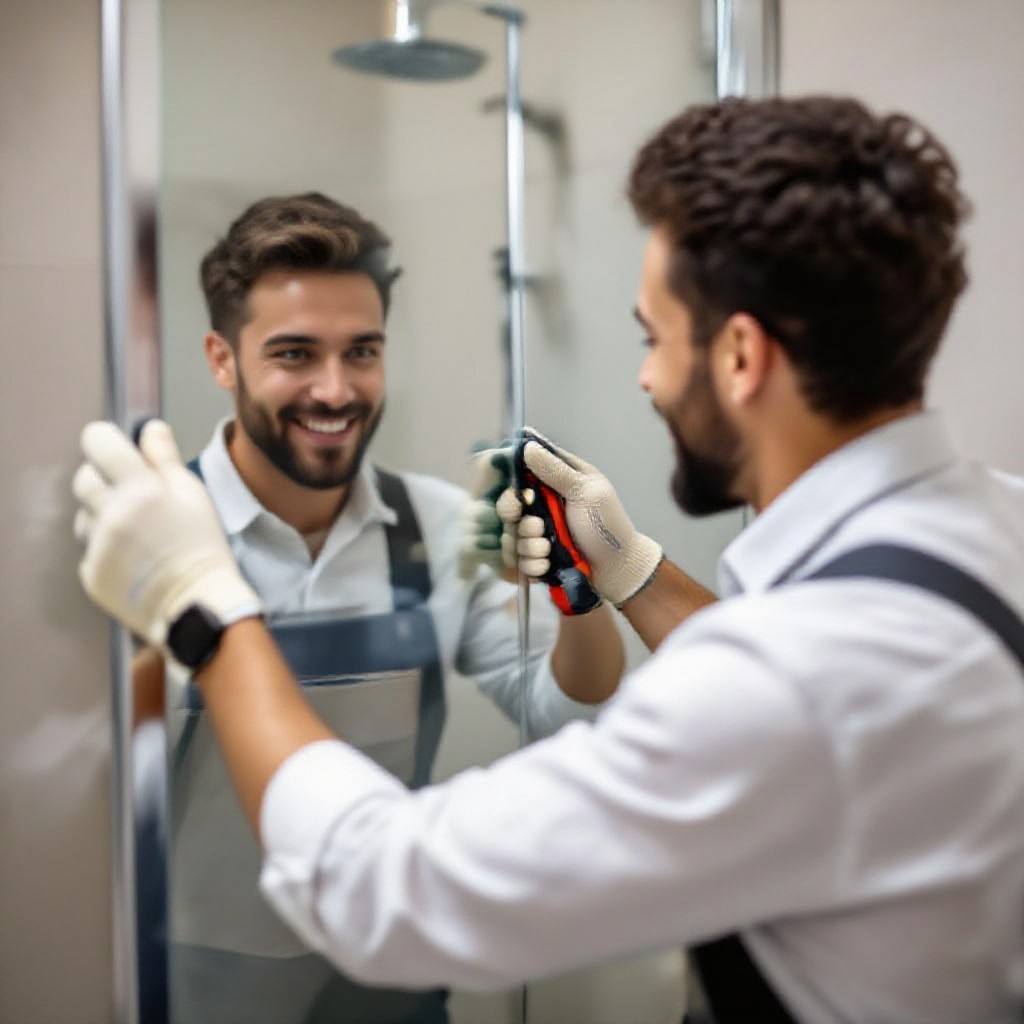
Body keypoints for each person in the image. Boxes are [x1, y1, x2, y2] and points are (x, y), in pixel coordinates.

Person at [73, 96, 1024, 1024]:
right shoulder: (1001, 520)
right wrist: (628, 568)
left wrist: (205, 610)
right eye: (294, 353)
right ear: (220, 359)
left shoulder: (791, 669)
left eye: (653, 340)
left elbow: (389, 888)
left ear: (740, 355)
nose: (645, 379)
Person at [137, 193, 626, 1024]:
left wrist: (574, 582)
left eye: (361, 352)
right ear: (222, 359)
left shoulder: (438, 525)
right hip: (195, 983)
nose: (335, 390)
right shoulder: (154, 535)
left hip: (384, 972)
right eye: (295, 354)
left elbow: (563, 713)